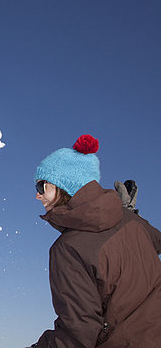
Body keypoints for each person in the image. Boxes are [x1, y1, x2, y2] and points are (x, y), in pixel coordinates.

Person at [29, 135, 161, 347]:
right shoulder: (129, 219)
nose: (38, 196)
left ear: (65, 186)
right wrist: (129, 215)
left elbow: (79, 334)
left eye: (41, 187)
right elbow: (156, 242)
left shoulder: (68, 248)